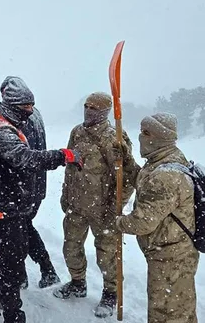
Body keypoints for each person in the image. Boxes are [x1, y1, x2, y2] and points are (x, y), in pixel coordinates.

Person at [0, 76, 83, 323]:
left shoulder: (13, 123)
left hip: (12, 205)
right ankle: (13, 314)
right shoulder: (0, 129)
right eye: (25, 107)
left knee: (14, 254)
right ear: (12, 105)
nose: (30, 112)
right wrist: (63, 156)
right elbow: (26, 159)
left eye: (31, 106)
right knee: (13, 263)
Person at [54, 92, 140, 318]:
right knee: (71, 247)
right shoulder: (77, 132)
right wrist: (65, 194)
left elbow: (128, 177)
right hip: (76, 205)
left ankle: (111, 293)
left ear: (104, 112)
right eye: (86, 106)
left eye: (93, 108)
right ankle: (77, 282)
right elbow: (70, 165)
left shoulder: (114, 137)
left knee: (107, 255)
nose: (88, 111)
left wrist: (116, 206)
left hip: (103, 209)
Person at [116, 113, 199, 323]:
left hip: (171, 257)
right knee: (181, 309)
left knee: (165, 313)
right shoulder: (163, 161)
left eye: (146, 133)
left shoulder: (166, 174)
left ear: (160, 138)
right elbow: (145, 183)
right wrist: (127, 161)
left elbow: (143, 222)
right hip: (171, 252)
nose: (140, 137)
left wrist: (117, 222)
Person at [16, 84, 59, 289]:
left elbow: (24, 157)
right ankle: (43, 270)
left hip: (27, 186)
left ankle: (36, 271)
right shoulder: (36, 114)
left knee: (20, 230)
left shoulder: (22, 119)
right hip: (37, 184)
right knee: (24, 228)